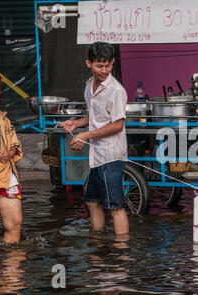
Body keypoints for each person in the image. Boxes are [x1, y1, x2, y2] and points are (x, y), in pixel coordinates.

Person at [60, 42, 130, 237]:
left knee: (116, 206)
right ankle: (98, 241)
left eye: (108, 65)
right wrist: (76, 123)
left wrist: (86, 135)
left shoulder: (116, 90)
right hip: (97, 156)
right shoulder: (89, 86)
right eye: (99, 65)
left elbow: (117, 125)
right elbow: (95, 116)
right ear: (88, 63)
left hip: (111, 155)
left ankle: (121, 255)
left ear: (113, 63)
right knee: (91, 200)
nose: (104, 70)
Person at [0, 68, 23, 244]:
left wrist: (10, 152)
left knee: (14, 225)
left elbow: (15, 142)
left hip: (7, 176)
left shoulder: (1, 116)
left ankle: (11, 270)